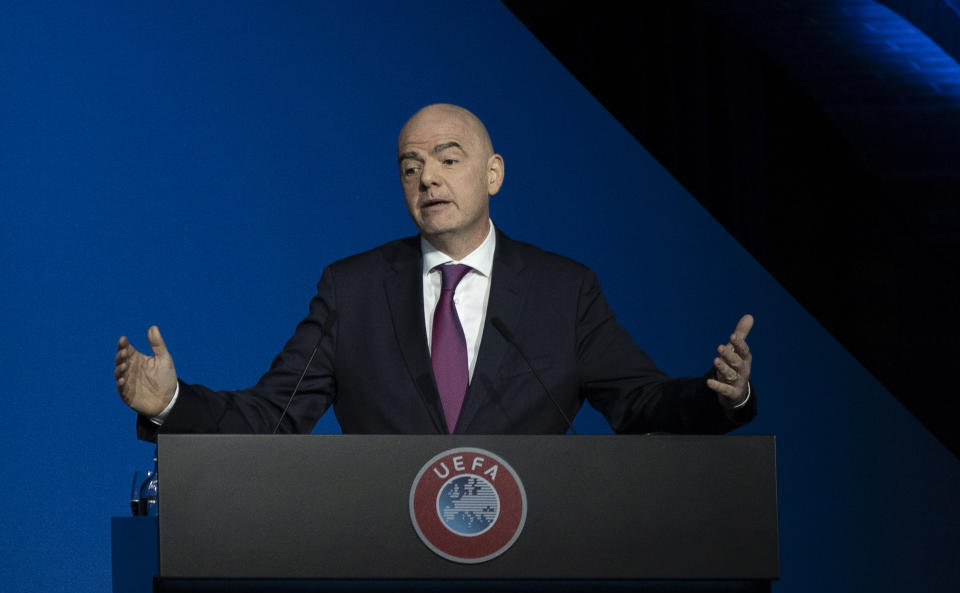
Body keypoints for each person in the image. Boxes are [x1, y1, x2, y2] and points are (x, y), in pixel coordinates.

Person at [115, 104, 755, 438]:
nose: (428, 178)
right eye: (410, 166)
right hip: (388, 569)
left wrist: (717, 394)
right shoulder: (353, 289)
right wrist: (171, 401)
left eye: (448, 159)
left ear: (494, 173)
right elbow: (273, 414)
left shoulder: (565, 289)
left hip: (532, 566)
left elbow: (637, 402)